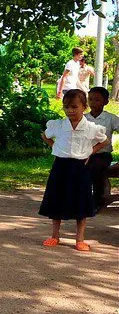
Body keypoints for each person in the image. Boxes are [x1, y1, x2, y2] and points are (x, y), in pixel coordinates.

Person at [39, 88, 108, 252]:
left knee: (81, 202)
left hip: (80, 168)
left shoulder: (91, 127)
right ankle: (55, 235)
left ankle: (80, 239)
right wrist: (54, 146)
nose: (70, 110)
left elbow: (104, 141)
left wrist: (90, 152)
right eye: (66, 107)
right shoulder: (59, 125)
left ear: (84, 107)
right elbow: (45, 135)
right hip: (60, 166)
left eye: (74, 107)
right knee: (57, 199)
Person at [85, 86, 119, 210]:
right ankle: (80, 198)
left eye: (97, 100)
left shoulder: (110, 118)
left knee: (96, 168)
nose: (93, 103)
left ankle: (97, 200)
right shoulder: (84, 118)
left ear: (106, 102)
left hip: (102, 154)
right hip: (84, 154)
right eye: (90, 99)